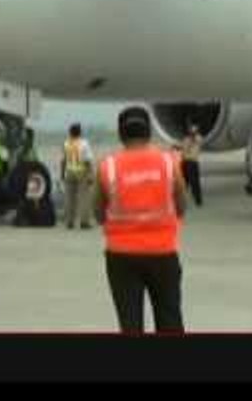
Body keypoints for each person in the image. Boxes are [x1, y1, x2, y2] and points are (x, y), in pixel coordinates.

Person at [94, 106, 188, 333]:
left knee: (130, 323)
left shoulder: (108, 167)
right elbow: (182, 205)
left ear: (121, 134)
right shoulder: (168, 163)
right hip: (163, 253)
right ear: (149, 132)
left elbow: (98, 213)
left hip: (121, 257)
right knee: (170, 319)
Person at [10, 128, 57, 227]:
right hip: (34, 172)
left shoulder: (25, 148)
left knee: (30, 198)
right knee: (33, 198)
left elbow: (20, 159)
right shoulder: (28, 148)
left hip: (29, 173)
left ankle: (31, 218)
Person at [60, 123, 95, 229]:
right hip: (82, 171)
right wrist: (91, 174)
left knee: (69, 198)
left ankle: (69, 221)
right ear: (80, 132)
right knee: (84, 197)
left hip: (69, 171)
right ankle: (84, 221)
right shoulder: (84, 144)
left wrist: (62, 174)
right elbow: (88, 160)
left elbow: (63, 160)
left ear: (70, 132)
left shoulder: (66, 144)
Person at [180, 123, 204, 207]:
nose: (191, 131)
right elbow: (183, 148)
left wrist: (190, 139)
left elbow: (190, 145)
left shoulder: (197, 138)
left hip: (192, 162)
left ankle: (198, 200)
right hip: (185, 162)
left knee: (194, 183)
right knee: (184, 183)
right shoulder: (186, 139)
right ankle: (182, 200)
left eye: (193, 130)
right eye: (190, 129)